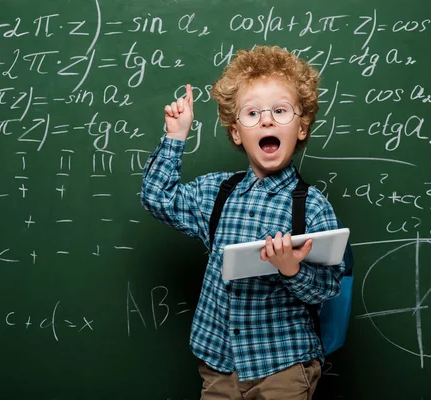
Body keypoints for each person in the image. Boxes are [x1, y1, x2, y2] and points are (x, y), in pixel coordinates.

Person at [140, 46, 346, 399]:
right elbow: (157, 198)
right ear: (236, 133)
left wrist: (291, 270)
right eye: (252, 113)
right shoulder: (216, 193)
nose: (266, 120)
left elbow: (328, 289)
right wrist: (175, 136)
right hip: (220, 363)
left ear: (301, 128)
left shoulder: (311, 208)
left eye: (280, 111)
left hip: (283, 366)